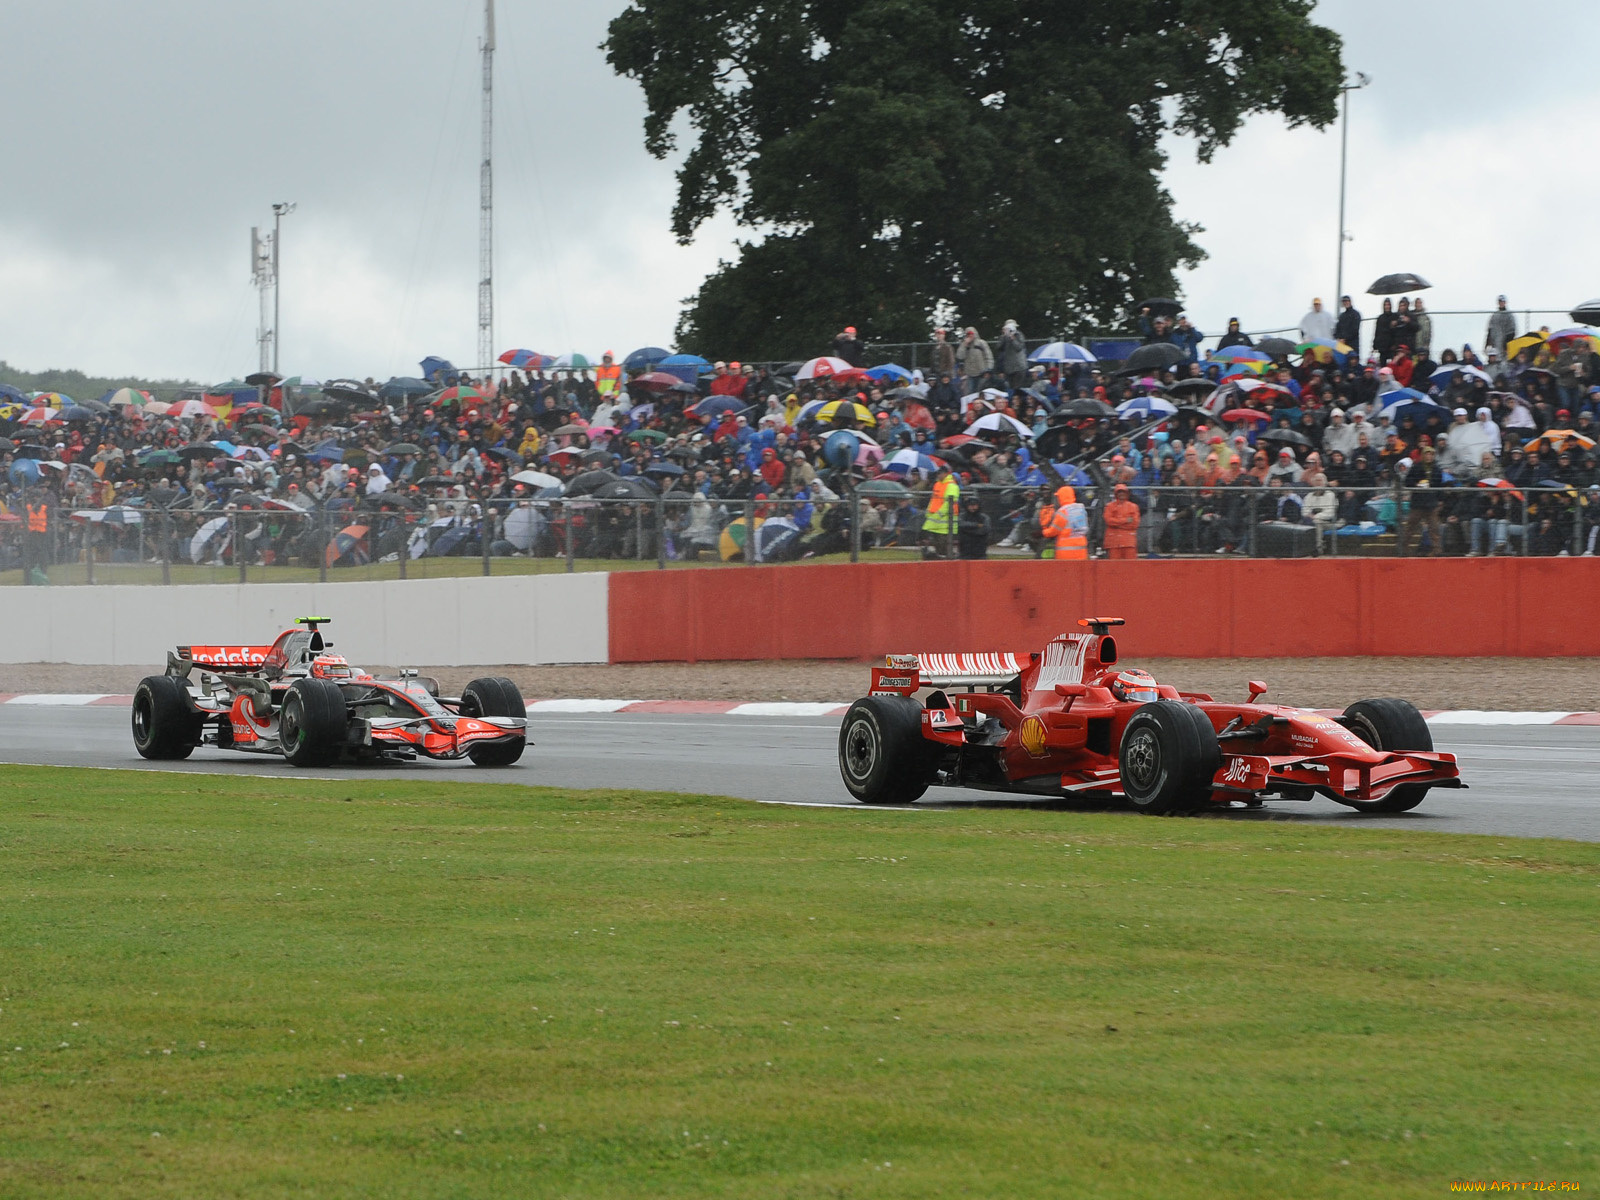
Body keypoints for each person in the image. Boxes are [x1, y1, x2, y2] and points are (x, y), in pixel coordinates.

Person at [1041, 484, 1088, 560]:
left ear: (1062, 497)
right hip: (1081, 549)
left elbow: (1053, 531)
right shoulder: (1080, 509)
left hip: (1066, 551)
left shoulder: (1063, 512)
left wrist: (1043, 532)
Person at [922, 463, 959, 558]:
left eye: (940, 473)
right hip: (935, 518)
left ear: (946, 473)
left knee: (944, 541)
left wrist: (939, 514)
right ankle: (942, 558)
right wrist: (929, 510)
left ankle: (949, 558)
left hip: (945, 519)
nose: (938, 475)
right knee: (936, 541)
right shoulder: (937, 484)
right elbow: (934, 499)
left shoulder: (951, 486)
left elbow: (949, 503)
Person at [1102, 483, 1140, 559]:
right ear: (1115, 494)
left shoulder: (1133, 507)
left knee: (1130, 567)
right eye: (1119, 492)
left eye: (1123, 492)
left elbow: (1135, 524)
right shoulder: (1109, 506)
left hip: (1128, 542)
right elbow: (1108, 521)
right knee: (1114, 568)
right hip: (1114, 543)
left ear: (1127, 493)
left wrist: (1116, 523)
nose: (1121, 494)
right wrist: (1126, 520)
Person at [996, 320, 1028, 389]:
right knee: (1010, 388)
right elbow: (999, 347)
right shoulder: (1004, 337)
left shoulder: (1019, 335)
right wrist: (1004, 336)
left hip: (1019, 367)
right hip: (1009, 368)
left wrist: (1013, 339)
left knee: (1017, 388)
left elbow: (1019, 347)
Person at [956, 494, 990, 559]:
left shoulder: (984, 517)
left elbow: (985, 530)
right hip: (964, 550)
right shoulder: (962, 516)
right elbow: (961, 525)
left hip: (980, 550)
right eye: (970, 505)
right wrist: (976, 525)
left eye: (974, 505)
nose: (972, 508)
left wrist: (968, 531)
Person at [1486, 295, 1517, 359]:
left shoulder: (1509, 315)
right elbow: (1490, 330)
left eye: (1502, 301)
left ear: (1505, 302)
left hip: (1505, 345)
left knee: (1505, 360)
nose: (1501, 303)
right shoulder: (1494, 315)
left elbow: (1512, 331)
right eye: (1500, 301)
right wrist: (1487, 343)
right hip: (1495, 344)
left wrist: (1506, 345)